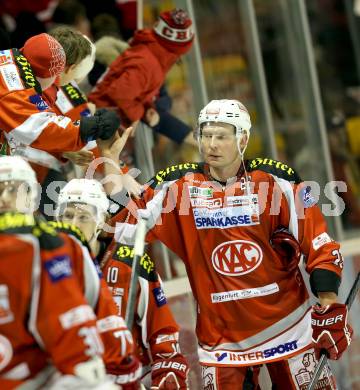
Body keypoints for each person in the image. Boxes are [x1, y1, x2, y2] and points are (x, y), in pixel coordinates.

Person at [111, 99, 353, 389]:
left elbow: (319, 244)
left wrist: (328, 303)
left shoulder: (277, 181)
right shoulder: (176, 186)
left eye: (222, 136)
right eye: (206, 135)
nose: (211, 144)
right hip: (222, 344)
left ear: (243, 139)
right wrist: (110, 166)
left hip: (290, 330)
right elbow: (121, 225)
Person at [55, 178, 190, 389]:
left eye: (83, 217)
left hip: (130, 379)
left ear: (101, 221)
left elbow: (162, 334)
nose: (73, 225)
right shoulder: (46, 268)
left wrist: (167, 378)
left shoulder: (129, 264)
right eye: (67, 216)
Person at [0, 156, 116, 389]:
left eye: (12, 190)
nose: (3, 200)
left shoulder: (48, 246)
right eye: (68, 215)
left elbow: (74, 326)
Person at [0, 32, 119, 161]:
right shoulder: (14, 92)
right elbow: (42, 129)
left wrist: (61, 150)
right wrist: (96, 127)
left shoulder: (12, 57)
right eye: (55, 76)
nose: (56, 80)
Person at [88, 8, 195, 146]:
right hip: (97, 126)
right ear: (176, 49)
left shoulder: (149, 54)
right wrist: (138, 113)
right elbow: (120, 93)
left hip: (100, 122)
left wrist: (148, 107)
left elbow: (135, 92)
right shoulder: (148, 64)